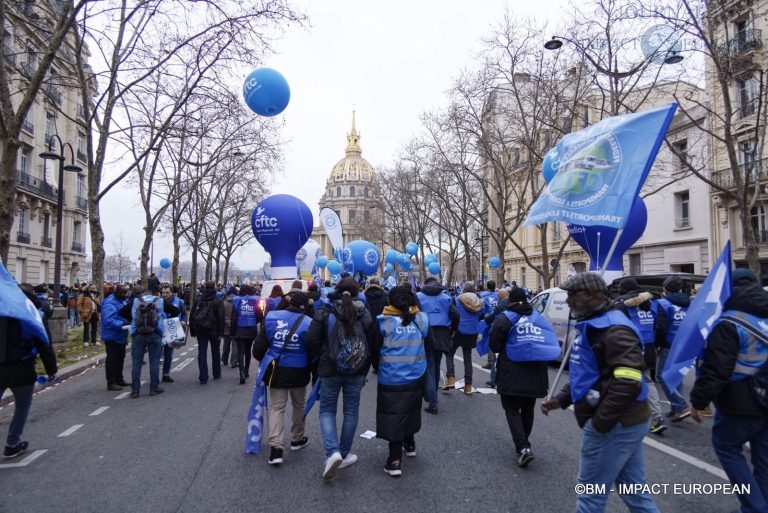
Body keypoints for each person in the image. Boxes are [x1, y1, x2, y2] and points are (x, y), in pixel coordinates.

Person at [540, 272, 658, 513]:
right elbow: (590, 374)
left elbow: (629, 380)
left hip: (616, 424)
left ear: (591, 295)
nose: (568, 301)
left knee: (590, 496)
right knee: (634, 493)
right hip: (625, 421)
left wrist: (600, 424)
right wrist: (562, 398)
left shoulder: (614, 329)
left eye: (572, 295)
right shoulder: (595, 324)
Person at [689, 268, 768, 513]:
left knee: (726, 447)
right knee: (764, 458)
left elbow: (717, 369)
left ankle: (755, 506)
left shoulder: (730, 321)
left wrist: (699, 400)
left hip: (740, 401)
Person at [306, 276, 375, 481]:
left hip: (330, 368)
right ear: (357, 292)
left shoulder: (325, 311)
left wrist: (322, 356)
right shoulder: (364, 313)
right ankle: (343, 454)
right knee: (351, 411)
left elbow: (311, 339)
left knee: (327, 410)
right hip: (356, 369)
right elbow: (371, 341)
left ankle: (332, 452)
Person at [489, 287, 558, 467]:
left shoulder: (505, 319)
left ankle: (523, 446)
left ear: (510, 301)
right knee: (528, 408)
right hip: (536, 372)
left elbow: (494, 345)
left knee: (511, 409)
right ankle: (524, 442)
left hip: (511, 372)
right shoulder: (539, 318)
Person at [371, 286, 429, 477]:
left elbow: (374, 350)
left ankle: (394, 460)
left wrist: (378, 369)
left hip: (391, 377)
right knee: (411, 409)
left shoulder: (382, 321)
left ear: (390, 302)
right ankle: (410, 444)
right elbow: (428, 343)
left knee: (394, 415)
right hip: (416, 374)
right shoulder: (421, 319)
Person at [253, 292, 313, 466]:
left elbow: (258, 348)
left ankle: (276, 448)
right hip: (299, 370)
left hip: (276, 369)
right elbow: (313, 350)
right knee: (299, 405)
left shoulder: (272, 317)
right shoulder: (309, 323)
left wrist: (265, 360)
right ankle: (297, 438)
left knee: (276, 408)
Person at [0, 282, 58, 459]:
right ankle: (12, 443)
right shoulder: (31, 314)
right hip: (21, 367)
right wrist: (51, 370)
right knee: (22, 406)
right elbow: (43, 343)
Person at [613, 278, 666, 435]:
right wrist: (656, 343)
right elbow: (661, 324)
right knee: (645, 380)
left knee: (622, 379)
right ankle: (655, 416)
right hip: (649, 347)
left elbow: (617, 325)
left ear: (622, 290)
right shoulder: (652, 303)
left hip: (631, 347)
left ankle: (643, 416)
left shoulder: (620, 304)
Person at [415, 277, 458, 413]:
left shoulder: (418, 296)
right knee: (436, 365)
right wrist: (452, 329)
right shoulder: (446, 297)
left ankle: (432, 401)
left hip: (426, 331)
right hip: (442, 333)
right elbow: (456, 314)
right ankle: (433, 399)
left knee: (428, 366)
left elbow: (415, 314)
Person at [654, 275, 692, 422]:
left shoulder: (663, 304)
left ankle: (681, 405)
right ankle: (676, 409)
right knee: (676, 376)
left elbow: (661, 328)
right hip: (683, 343)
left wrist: (657, 344)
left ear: (665, 288)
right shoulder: (689, 303)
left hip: (668, 344)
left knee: (661, 376)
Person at [130, 285, 178, 397]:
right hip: (155, 333)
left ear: (143, 294)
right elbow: (175, 310)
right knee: (154, 361)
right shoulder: (160, 301)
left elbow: (123, 312)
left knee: (136, 362)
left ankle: (135, 390)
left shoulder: (136, 301)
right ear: (156, 294)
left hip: (138, 334)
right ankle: (153, 388)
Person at [449, 282, 484, 394]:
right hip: (472, 331)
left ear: (463, 290)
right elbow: (482, 315)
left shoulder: (456, 300)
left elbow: (452, 314)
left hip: (458, 330)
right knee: (467, 357)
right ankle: (468, 385)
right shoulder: (479, 302)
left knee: (450, 354)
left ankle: (451, 378)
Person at [189, 281, 224, 384]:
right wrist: (221, 332)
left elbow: (192, 315)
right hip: (214, 330)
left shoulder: (199, 299)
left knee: (202, 352)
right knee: (215, 352)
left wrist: (192, 330)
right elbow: (221, 317)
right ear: (214, 287)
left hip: (201, 329)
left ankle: (203, 376)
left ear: (204, 287)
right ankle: (216, 373)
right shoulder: (218, 300)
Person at [101, 284, 131, 391]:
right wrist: (122, 324)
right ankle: (111, 382)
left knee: (120, 358)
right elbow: (108, 320)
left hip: (121, 335)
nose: (125, 295)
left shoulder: (121, 301)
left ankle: (119, 378)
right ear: (117, 292)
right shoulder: (109, 303)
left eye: (126, 292)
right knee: (112, 359)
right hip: (112, 335)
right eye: (123, 292)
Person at [232, 285, 263, 384]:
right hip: (251, 329)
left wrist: (233, 331)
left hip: (240, 329)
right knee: (248, 351)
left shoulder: (236, 301)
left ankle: (241, 372)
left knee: (240, 351)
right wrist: (254, 321)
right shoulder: (255, 300)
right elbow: (260, 315)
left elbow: (234, 318)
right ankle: (246, 371)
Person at [160, 284, 186, 383]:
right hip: (160, 328)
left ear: (172, 292)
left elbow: (184, 314)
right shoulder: (158, 302)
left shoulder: (179, 302)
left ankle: (165, 374)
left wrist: (183, 321)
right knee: (157, 352)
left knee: (169, 352)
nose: (165, 295)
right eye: (163, 293)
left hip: (172, 328)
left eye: (167, 293)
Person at [220, 286, 238, 369]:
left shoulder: (224, 303)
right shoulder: (238, 303)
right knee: (235, 345)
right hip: (236, 327)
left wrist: (227, 321)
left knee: (226, 345)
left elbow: (221, 315)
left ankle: (224, 359)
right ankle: (234, 361)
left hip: (226, 327)